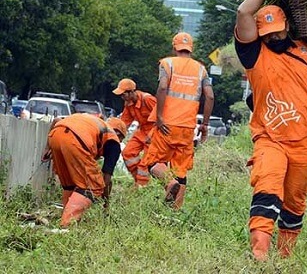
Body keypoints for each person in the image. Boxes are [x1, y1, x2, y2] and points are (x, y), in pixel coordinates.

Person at [235, 0, 307, 261]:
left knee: (295, 200)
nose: (273, 37)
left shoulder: (306, 51)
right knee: (268, 185)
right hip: (270, 137)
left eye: (277, 32)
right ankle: (259, 251)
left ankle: (285, 257)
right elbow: (244, 11)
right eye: (267, 33)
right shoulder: (253, 53)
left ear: (287, 27)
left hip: (305, 138)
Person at [142, 32, 214, 210]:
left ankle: (169, 183)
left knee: (152, 162)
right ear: (191, 48)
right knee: (180, 170)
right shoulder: (201, 69)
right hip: (187, 128)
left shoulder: (167, 63)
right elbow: (210, 96)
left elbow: (163, 86)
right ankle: (175, 211)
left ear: (174, 47)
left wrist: (159, 117)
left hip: (166, 125)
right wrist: (204, 124)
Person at [40, 114, 126, 227]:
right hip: (76, 141)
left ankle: (67, 214)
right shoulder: (113, 141)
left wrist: (47, 147)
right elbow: (106, 179)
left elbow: (56, 120)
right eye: (121, 139)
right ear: (118, 133)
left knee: (70, 182)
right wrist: (106, 203)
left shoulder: (92, 122)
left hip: (55, 135)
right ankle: (67, 224)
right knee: (93, 185)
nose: (119, 141)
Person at [112, 78, 157, 186]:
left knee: (144, 163)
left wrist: (152, 135)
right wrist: (114, 135)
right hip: (142, 131)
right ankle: (139, 180)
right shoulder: (128, 104)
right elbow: (124, 123)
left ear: (131, 92)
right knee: (127, 153)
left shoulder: (148, 99)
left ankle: (142, 186)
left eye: (123, 94)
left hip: (154, 132)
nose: (122, 97)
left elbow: (161, 116)